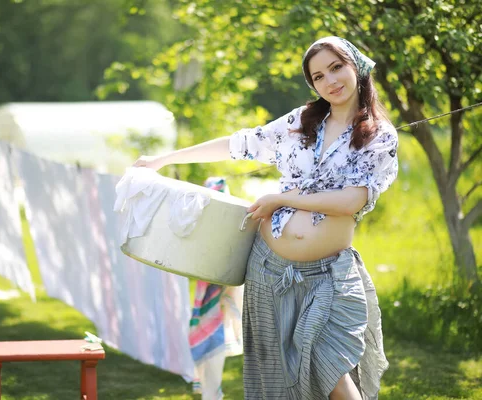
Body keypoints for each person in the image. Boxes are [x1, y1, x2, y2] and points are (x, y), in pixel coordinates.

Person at [134, 36, 398, 400]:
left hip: (327, 275)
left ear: (356, 67)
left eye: (337, 68)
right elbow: (239, 143)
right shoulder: (302, 122)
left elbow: (353, 200)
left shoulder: (378, 135)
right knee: (277, 379)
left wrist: (281, 199)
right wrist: (164, 160)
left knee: (329, 364)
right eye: (319, 76)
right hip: (268, 270)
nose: (330, 81)